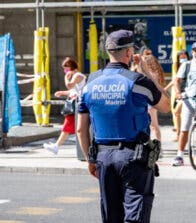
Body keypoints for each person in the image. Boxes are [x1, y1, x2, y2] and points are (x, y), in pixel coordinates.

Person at [76, 30, 170, 223]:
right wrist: (147, 72)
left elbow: (80, 128)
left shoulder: (90, 83)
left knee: (111, 216)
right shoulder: (137, 81)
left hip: (103, 157)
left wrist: (90, 159)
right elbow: (166, 106)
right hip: (133, 158)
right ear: (128, 53)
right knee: (135, 215)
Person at [43, 57, 86, 154]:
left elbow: (70, 85)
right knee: (71, 126)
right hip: (76, 104)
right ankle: (57, 146)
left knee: (68, 126)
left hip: (78, 104)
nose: (65, 71)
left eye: (66, 68)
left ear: (71, 67)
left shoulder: (77, 75)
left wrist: (66, 78)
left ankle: (56, 146)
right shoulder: (76, 75)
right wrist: (62, 92)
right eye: (64, 69)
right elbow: (73, 91)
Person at [132, 46, 166, 142]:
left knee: (154, 125)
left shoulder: (153, 70)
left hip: (150, 101)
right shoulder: (137, 68)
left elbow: (157, 84)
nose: (148, 55)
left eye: (150, 53)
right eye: (146, 53)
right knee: (146, 125)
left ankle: (158, 146)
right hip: (141, 100)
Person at [164, 50, 190, 141]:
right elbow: (175, 80)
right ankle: (179, 134)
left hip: (187, 93)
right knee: (177, 113)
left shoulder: (190, 65)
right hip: (180, 93)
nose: (183, 59)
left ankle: (181, 134)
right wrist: (166, 89)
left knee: (178, 112)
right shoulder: (178, 67)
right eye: (181, 57)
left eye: (184, 57)